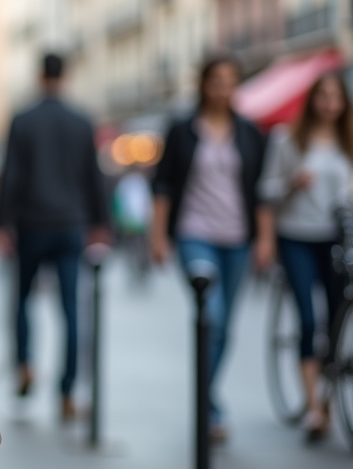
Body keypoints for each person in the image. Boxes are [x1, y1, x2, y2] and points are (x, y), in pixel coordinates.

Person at [150, 56, 269, 444]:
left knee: (225, 327)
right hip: (194, 233)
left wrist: (265, 239)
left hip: (237, 238)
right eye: (216, 80)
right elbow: (164, 184)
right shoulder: (183, 130)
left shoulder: (249, 132)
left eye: (230, 81)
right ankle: (209, 407)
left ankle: (208, 399)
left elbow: (261, 192)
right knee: (211, 318)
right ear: (203, 84)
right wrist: (158, 235)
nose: (223, 88)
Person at [0, 52, 108, 420]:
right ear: (66, 75)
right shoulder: (81, 120)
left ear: (39, 75)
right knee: (70, 309)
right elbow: (94, 174)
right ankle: (67, 391)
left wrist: (1, 223)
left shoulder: (23, 119)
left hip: (31, 223)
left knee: (23, 299)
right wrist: (100, 222)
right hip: (71, 223)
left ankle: (25, 363)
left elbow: (10, 175)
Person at [258, 72, 353, 443]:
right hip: (296, 235)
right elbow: (267, 191)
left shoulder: (348, 143)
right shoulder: (287, 140)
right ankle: (314, 406)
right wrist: (292, 184)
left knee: (336, 317)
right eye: (323, 94)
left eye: (336, 95)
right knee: (307, 316)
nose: (329, 102)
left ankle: (328, 396)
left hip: (337, 237)